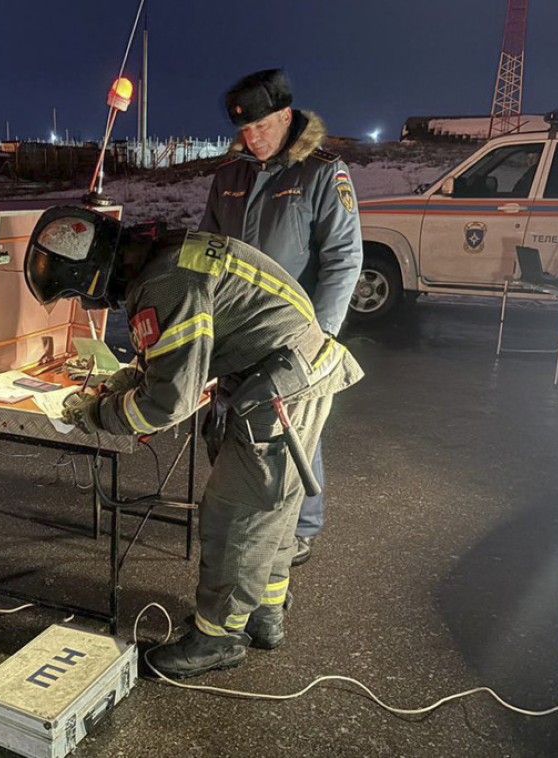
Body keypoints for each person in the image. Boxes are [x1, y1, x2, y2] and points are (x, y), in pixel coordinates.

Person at [23, 206, 362, 679]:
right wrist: (132, 377)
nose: (88, 306)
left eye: (81, 295)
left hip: (279, 387)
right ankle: (264, 614)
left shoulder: (162, 285)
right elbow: (187, 349)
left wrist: (98, 414)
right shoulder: (165, 254)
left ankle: (217, 639)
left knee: (237, 514)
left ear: (93, 276)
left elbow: (165, 405)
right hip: (287, 370)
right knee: (273, 508)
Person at [199, 69, 362, 567]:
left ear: (287, 117)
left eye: (263, 127)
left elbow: (343, 258)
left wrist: (322, 336)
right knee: (237, 422)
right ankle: (245, 511)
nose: (253, 138)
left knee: (294, 430)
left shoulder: (319, 172)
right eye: (245, 130)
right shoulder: (229, 175)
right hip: (235, 329)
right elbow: (206, 250)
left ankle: (303, 527)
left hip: (296, 333)